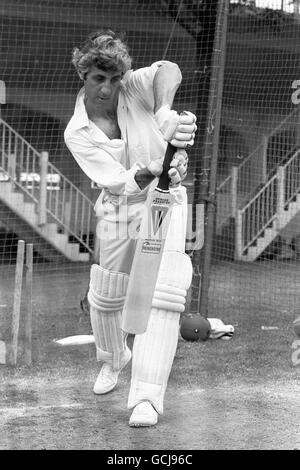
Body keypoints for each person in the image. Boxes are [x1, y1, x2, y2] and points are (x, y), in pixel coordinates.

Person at [64, 30, 197, 427]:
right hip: (120, 205)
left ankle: (146, 398)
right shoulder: (77, 132)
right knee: (107, 295)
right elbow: (119, 180)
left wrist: (162, 112)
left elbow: (167, 71)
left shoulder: (133, 87)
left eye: (115, 78)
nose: (108, 88)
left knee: (164, 288)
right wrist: (150, 169)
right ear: (83, 75)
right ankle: (113, 357)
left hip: (164, 200)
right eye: (98, 79)